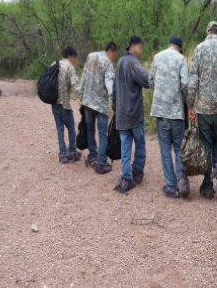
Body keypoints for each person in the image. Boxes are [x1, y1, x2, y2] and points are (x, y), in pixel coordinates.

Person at [187, 21, 217, 199]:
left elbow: (193, 80)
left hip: (204, 108)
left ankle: (207, 186)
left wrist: (190, 105)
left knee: (206, 145)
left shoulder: (199, 49)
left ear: (207, 32)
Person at [148, 36, 190, 199]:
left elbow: (150, 80)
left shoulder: (157, 57)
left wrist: (159, 92)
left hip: (161, 111)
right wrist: (184, 98)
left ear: (168, 45)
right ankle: (182, 182)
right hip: (176, 112)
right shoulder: (181, 59)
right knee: (179, 148)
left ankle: (172, 186)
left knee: (165, 149)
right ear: (180, 48)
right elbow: (185, 83)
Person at [112, 35, 150, 194]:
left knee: (125, 147)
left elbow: (114, 88)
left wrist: (114, 107)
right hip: (134, 114)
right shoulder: (133, 62)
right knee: (140, 144)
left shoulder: (120, 62)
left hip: (121, 114)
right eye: (140, 48)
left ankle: (126, 178)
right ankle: (137, 171)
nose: (141, 51)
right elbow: (146, 80)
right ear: (133, 46)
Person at [80, 42, 118, 174]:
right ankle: (101, 162)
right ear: (111, 51)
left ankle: (92, 155)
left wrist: (81, 95)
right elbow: (110, 85)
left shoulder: (90, 56)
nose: (114, 58)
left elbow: (84, 77)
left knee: (90, 130)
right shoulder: (108, 63)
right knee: (102, 134)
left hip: (87, 102)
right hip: (101, 105)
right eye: (115, 55)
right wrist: (114, 103)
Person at [51, 46, 82, 164]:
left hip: (54, 103)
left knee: (59, 129)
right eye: (74, 58)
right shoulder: (69, 67)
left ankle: (62, 154)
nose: (75, 60)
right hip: (64, 104)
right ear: (69, 56)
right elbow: (76, 86)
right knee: (71, 128)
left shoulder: (54, 64)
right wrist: (84, 99)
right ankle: (72, 151)